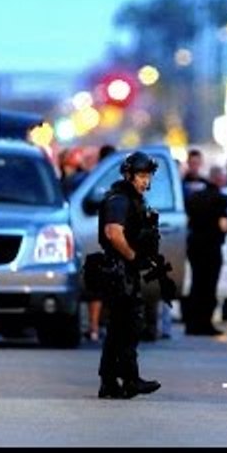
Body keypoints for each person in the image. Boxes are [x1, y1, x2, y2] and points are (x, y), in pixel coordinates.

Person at [96, 151, 164, 399]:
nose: (146, 181)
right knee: (129, 325)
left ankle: (110, 381)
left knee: (118, 328)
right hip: (119, 271)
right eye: (142, 176)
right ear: (129, 175)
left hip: (124, 270)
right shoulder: (120, 200)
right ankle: (130, 379)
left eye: (148, 176)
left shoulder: (131, 199)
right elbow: (113, 233)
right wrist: (133, 257)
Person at [183, 162, 227, 335]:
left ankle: (192, 323)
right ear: (218, 179)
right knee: (209, 286)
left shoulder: (195, 197)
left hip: (195, 245)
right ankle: (205, 323)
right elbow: (223, 225)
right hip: (211, 246)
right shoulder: (220, 199)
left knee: (196, 284)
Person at [84, 144, 120, 342]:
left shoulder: (95, 180)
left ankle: (95, 326)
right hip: (112, 237)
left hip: (98, 236)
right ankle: (98, 326)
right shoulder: (120, 183)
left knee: (99, 285)